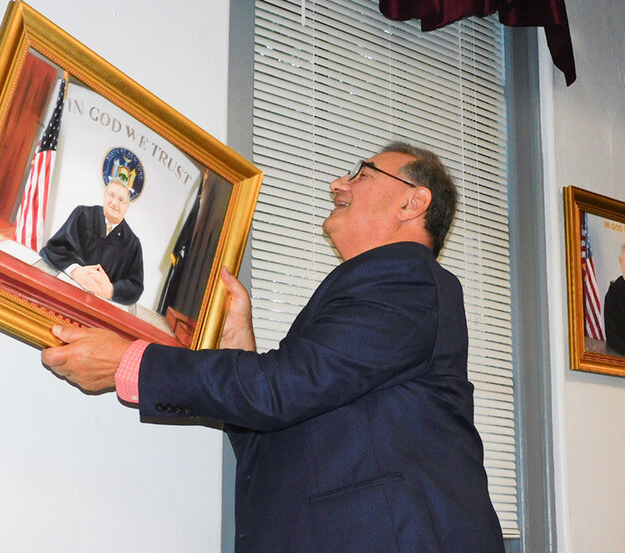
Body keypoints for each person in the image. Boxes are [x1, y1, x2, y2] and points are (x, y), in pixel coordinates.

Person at [41, 143, 504, 553]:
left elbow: (283, 390)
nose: (337, 184)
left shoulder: (409, 279)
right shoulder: (379, 292)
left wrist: (130, 362)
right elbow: (285, 426)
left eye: (361, 174)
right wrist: (242, 345)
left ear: (413, 200)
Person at [39, 178, 144, 305]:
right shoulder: (82, 215)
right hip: (65, 293)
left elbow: (135, 286)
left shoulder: (132, 244)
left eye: (121, 200)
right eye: (111, 195)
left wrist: (111, 290)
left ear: (127, 206)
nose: (114, 203)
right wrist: (75, 271)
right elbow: (53, 248)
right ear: (105, 195)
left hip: (99, 306)